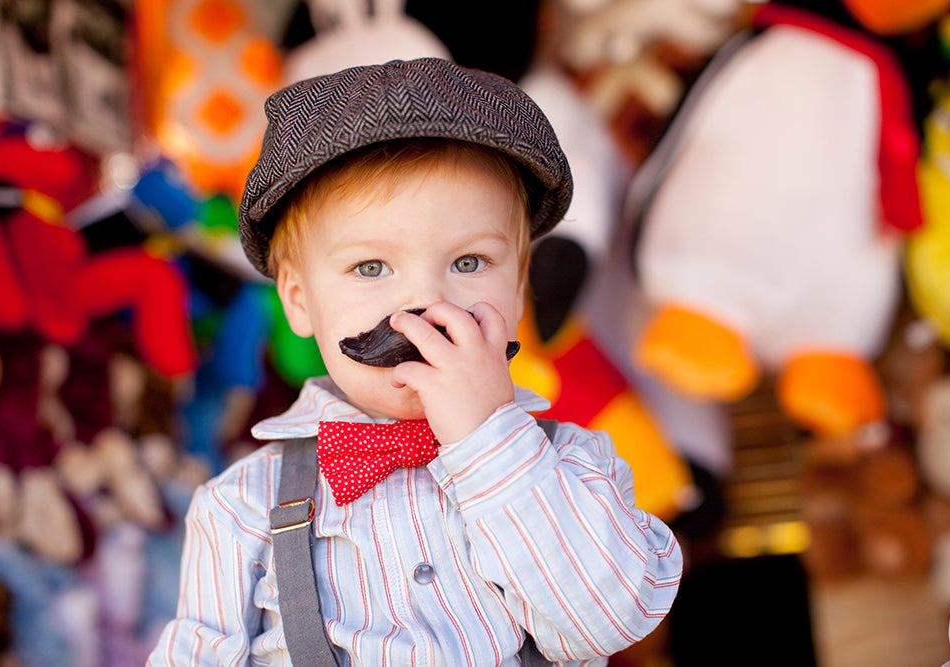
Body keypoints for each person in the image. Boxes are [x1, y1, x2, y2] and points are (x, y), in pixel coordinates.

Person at [147, 57, 682, 667]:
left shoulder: (574, 467)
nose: (426, 306)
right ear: (298, 300)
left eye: (470, 263)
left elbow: (606, 623)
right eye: (371, 268)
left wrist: (489, 442)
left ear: (518, 288)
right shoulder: (241, 503)